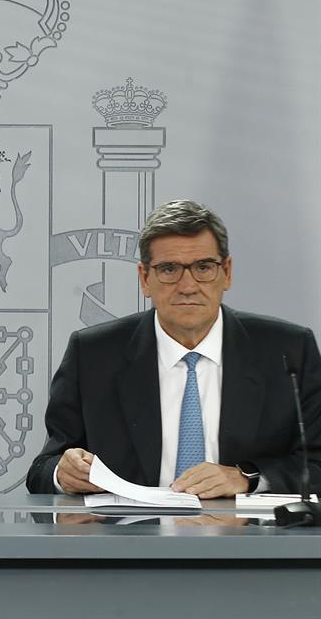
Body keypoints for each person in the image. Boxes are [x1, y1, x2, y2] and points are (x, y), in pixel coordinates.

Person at [27, 199, 321, 498]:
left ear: (227, 272)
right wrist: (61, 473)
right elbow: (43, 469)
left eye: (203, 267)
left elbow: (317, 465)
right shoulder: (92, 355)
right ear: (145, 278)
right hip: (127, 540)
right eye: (169, 269)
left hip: (248, 540)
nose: (188, 286)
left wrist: (247, 478)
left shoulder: (288, 350)